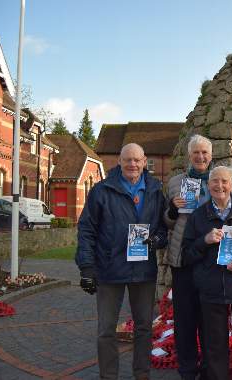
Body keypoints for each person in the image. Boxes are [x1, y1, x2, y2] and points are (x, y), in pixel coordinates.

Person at [75, 143, 167, 380]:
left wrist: (156, 239)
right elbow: (86, 229)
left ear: (144, 161)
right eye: (128, 160)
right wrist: (87, 268)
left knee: (144, 328)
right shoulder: (102, 190)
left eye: (137, 160)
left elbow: (162, 229)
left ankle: (142, 374)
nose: (132, 164)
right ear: (119, 161)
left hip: (143, 271)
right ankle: (108, 376)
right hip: (109, 270)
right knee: (106, 330)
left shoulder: (156, 190)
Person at [181, 166, 232, 380]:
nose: (220, 185)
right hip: (212, 289)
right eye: (215, 181)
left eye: (224, 181)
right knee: (214, 344)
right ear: (208, 186)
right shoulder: (198, 216)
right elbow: (187, 254)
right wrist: (204, 240)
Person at [164, 134, 212, 380]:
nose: (201, 157)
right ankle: (187, 370)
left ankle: (207, 369)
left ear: (211, 156)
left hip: (210, 261)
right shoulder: (175, 182)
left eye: (205, 153)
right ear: (189, 156)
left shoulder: (220, 181)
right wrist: (172, 208)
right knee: (184, 320)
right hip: (182, 260)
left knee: (208, 319)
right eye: (196, 153)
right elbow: (166, 221)